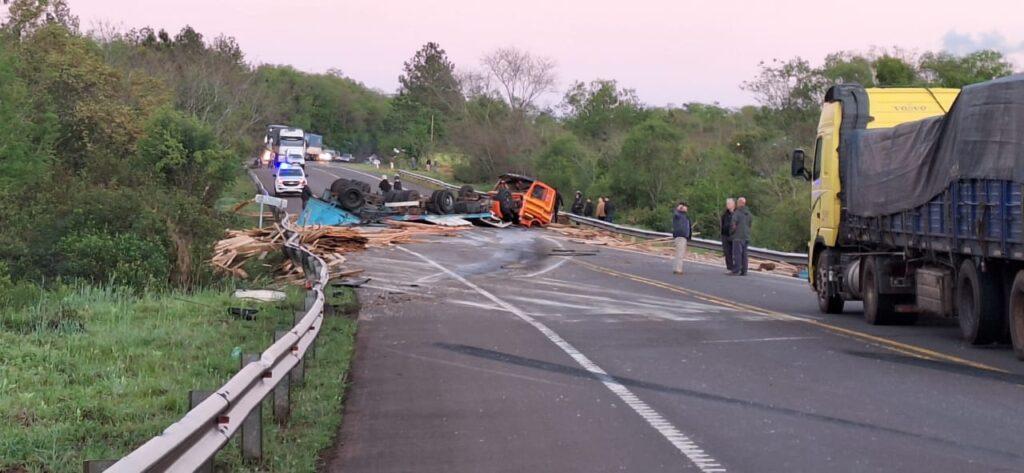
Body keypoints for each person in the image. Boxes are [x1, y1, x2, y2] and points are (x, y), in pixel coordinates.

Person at [730, 197, 753, 276]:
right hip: (746, 236)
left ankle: (736, 270)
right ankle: (744, 270)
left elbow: (733, 224)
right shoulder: (749, 214)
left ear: (740, 203)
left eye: (737, 203)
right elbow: (750, 225)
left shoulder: (737, 213)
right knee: (744, 254)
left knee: (737, 254)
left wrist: (732, 232)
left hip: (738, 236)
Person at [672, 202, 692, 275]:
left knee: (679, 253)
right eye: (685, 206)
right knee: (680, 253)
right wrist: (678, 209)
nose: (686, 208)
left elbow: (689, 227)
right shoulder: (678, 215)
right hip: (680, 236)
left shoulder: (686, 217)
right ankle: (678, 269)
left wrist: (689, 236)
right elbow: (675, 214)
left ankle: (676, 268)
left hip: (684, 236)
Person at [720, 198, 736, 274]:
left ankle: (737, 267)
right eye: (727, 203)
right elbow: (722, 222)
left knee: (735, 252)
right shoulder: (725, 214)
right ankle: (730, 267)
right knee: (727, 252)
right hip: (725, 235)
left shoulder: (737, 213)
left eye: (729, 203)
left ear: (733, 204)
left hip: (734, 235)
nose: (727, 205)